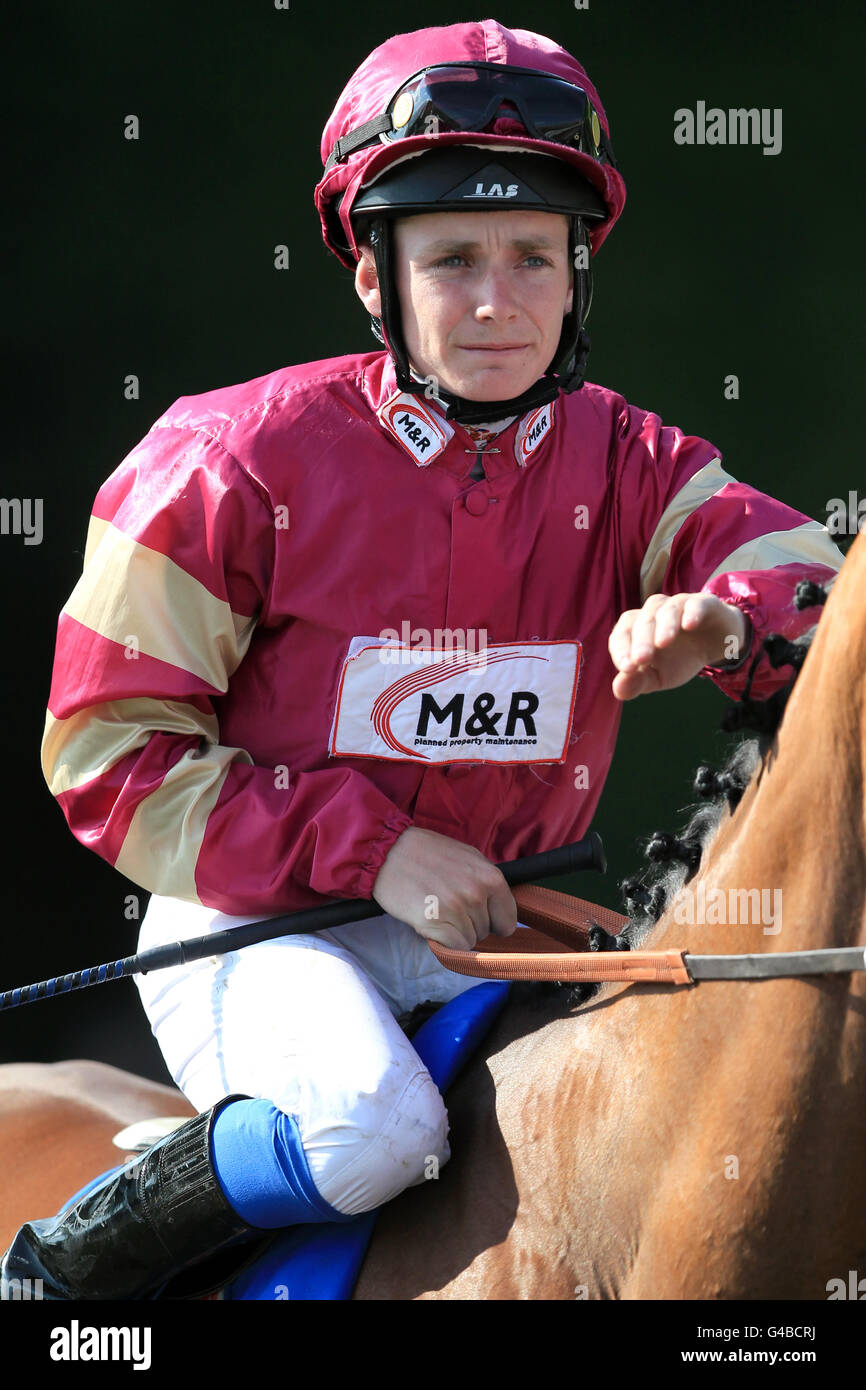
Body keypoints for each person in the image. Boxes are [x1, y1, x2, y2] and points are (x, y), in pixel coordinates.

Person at [1, 19, 843, 1300]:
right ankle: (58, 1273)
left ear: (576, 275)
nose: (498, 300)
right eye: (453, 260)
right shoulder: (226, 462)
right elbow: (107, 751)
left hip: (498, 923)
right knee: (372, 1125)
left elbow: (815, 584)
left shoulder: (628, 460)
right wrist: (377, 851)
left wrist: (726, 623)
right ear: (372, 281)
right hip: (259, 927)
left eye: (531, 257)